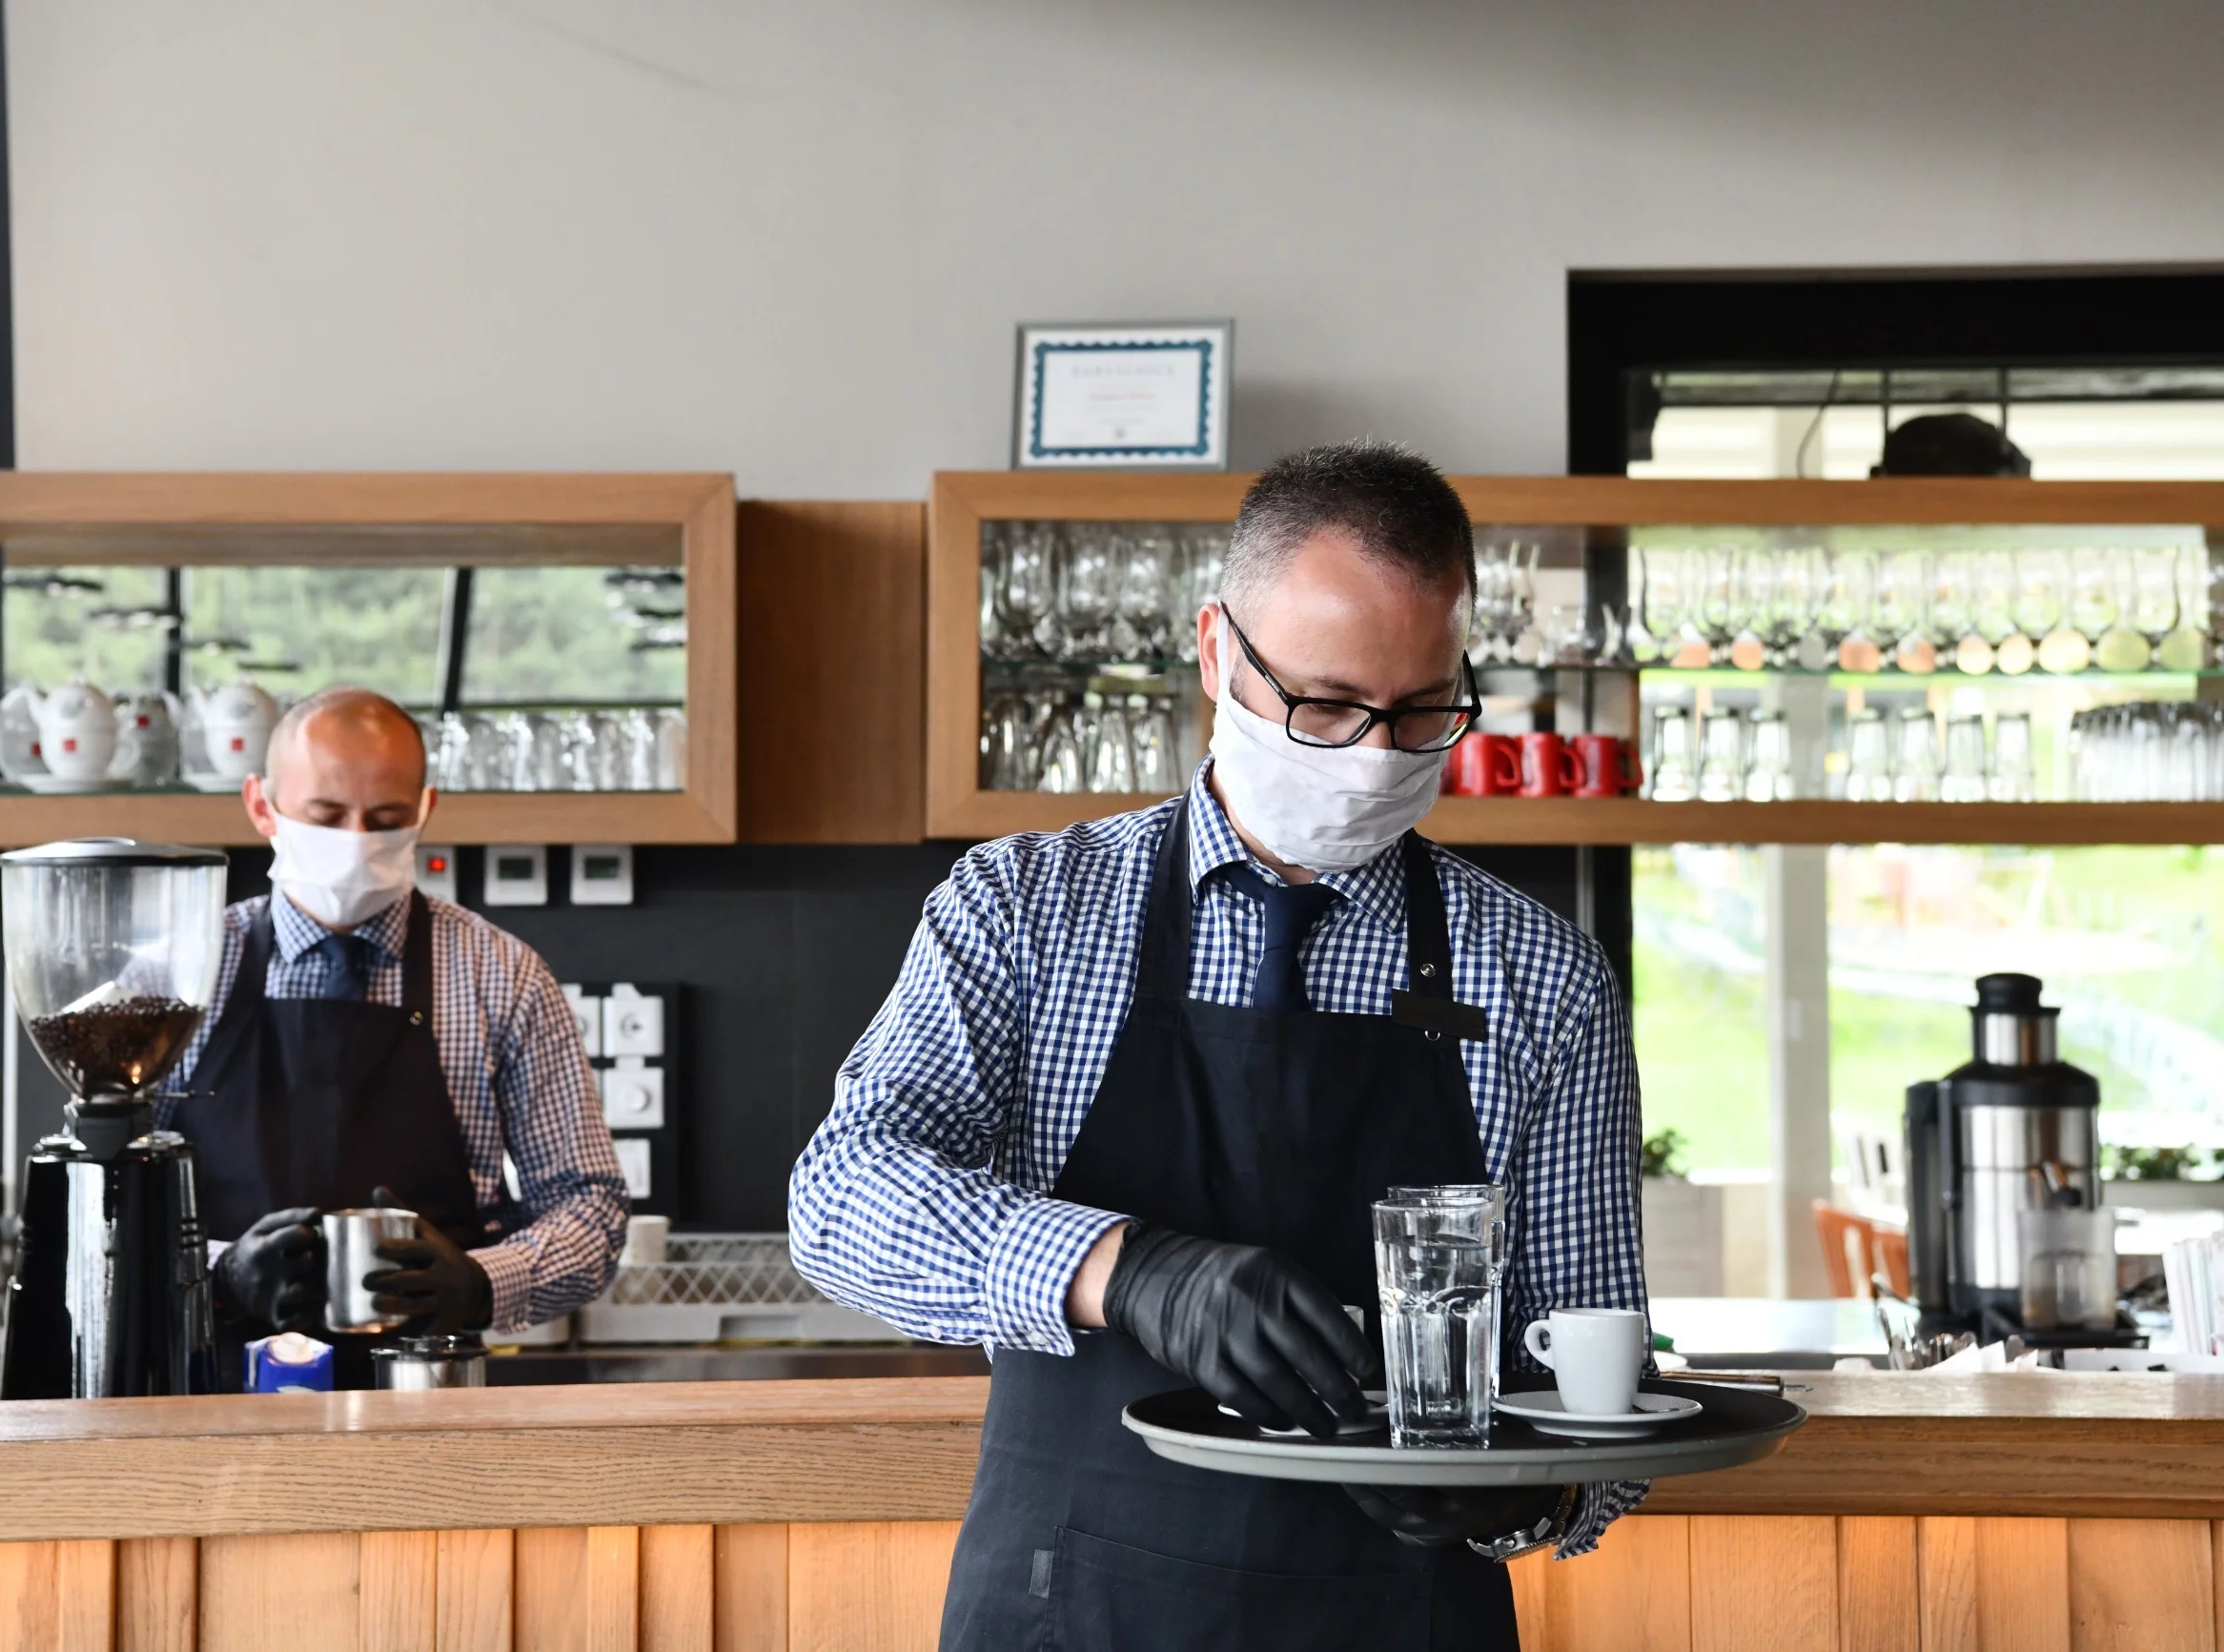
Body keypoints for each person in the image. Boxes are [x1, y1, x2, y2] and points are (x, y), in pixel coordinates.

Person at [790, 442, 1648, 1649]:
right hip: (1069, 1604)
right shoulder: (1023, 909)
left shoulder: (1542, 979)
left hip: (1400, 1620)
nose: (1367, 754)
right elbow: (842, 1200)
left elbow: (1593, 1359)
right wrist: (1123, 1267)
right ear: (1215, 651)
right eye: (1324, 703)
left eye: (1414, 714)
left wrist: (1533, 1493)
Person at [160, 687, 626, 1384]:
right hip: (211, 1397)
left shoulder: (502, 975)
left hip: (430, 1397)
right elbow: (101, 1213)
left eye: (384, 818)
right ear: (262, 806)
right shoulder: (181, 970)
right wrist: (216, 1273)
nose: (354, 840)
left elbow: (591, 1207)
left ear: (425, 811)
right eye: (325, 815)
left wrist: (480, 1281)